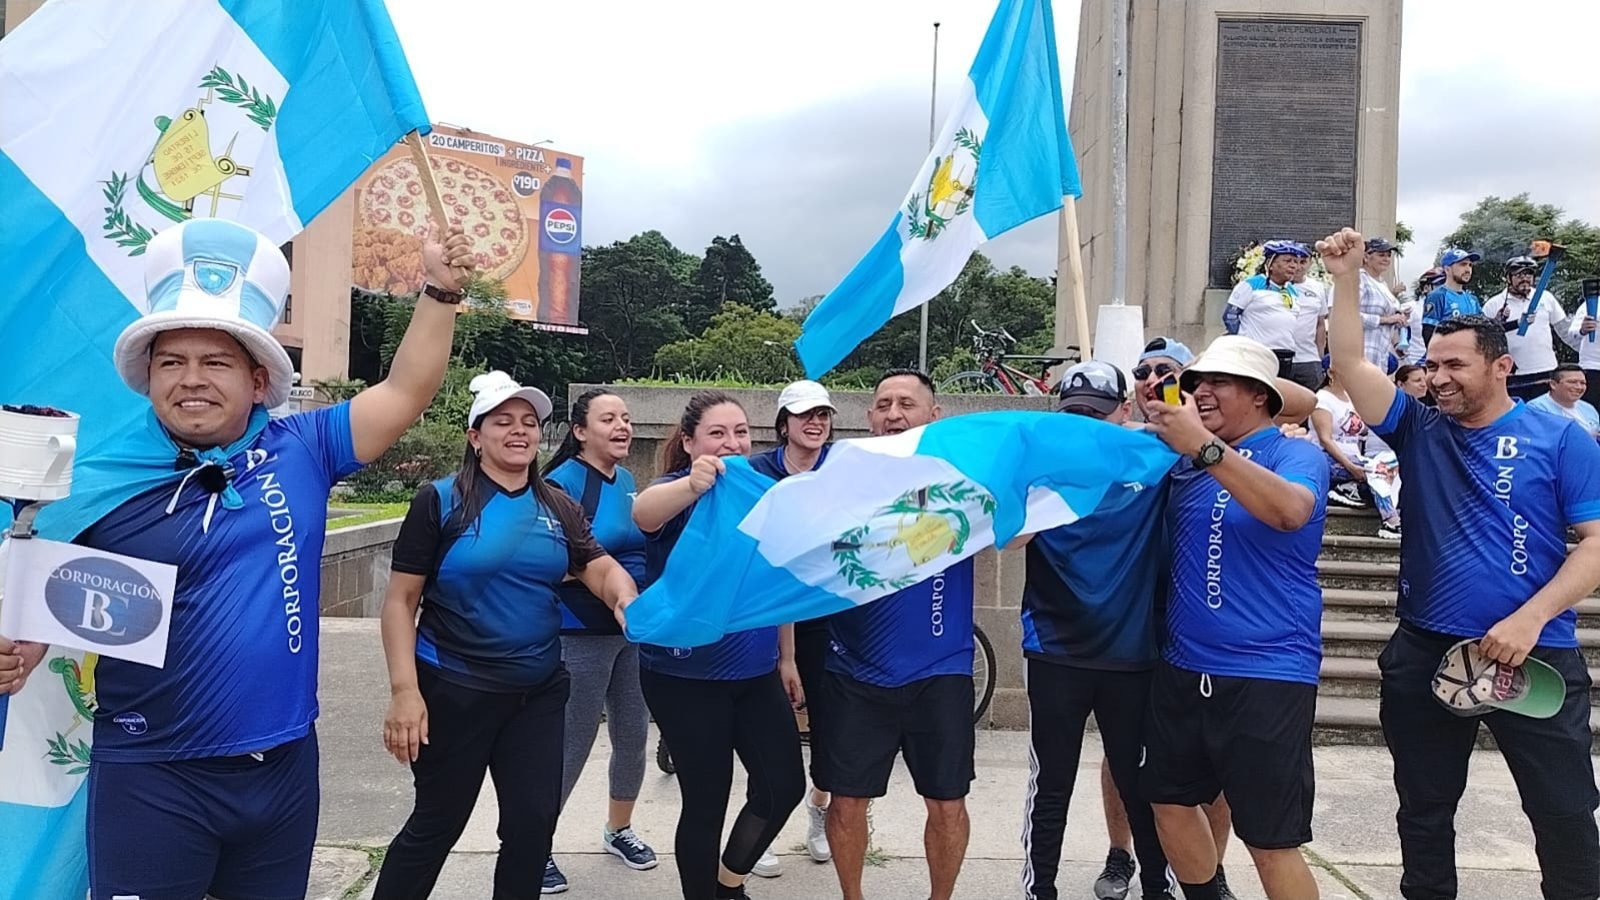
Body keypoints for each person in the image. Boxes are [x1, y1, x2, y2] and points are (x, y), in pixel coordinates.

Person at [0, 219, 474, 900]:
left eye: (214, 362)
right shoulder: (98, 484)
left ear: (257, 381)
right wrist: (17, 653)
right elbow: (45, 610)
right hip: (152, 776)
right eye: (172, 362)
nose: (191, 381)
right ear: (149, 377)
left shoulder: (305, 447)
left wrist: (439, 293)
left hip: (282, 771)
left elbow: (404, 392)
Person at [1321, 226, 1600, 900]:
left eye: (1455, 366)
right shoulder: (1418, 427)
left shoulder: (1559, 437)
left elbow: (1596, 541)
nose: (1437, 378)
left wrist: (1530, 619)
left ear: (1501, 367)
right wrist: (1344, 276)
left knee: (1564, 814)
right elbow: (1350, 364)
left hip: (1533, 655)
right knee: (1424, 811)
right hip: (1426, 651)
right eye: (1432, 365)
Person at [374, 374, 640, 899]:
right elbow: (401, 601)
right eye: (503, 422)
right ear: (476, 436)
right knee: (437, 824)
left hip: (537, 693)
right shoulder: (441, 501)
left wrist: (625, 599)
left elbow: (600, 567)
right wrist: (405, 692)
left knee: (531, 827)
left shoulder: (558, 506)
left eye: (529, 423)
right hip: (455, 689)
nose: (519, 432)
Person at [1142, 335, 1329, 900]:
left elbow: (1290, 511)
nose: (1199, 392)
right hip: (1181, 667)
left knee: (1270, 839)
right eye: (1196, 382)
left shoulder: (1294, 452)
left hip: (1268, 673)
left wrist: (1205, 448)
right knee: (1169, 803)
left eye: (1218, 381)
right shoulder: (1183, 458)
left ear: (1259, 397)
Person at [632, 391, 807, 900]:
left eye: (740, 433)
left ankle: (729, 883)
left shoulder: (762, 492)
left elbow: (780, 583)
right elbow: (644, 513)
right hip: (684, 678)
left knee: (783, 787)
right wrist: (691, 483)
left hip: (754, 672)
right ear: (689, 442)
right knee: (706, 801)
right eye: (717, 434)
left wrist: (788, 657)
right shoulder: (677, 489)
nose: (732, 443)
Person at [1018, 361, 1176, 900]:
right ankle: (1040, 890)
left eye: (1096, 415)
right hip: (1055, 649)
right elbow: (1008, 540)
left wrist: (1150, 424)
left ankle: (1157, 885)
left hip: (1132, 653)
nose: (1084, 424)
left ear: (1122, 410)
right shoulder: (1043, 470)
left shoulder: (1154, 462)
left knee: (1140, 784)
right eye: (1074, 415)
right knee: (1051, 784)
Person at [817, 369, 977, 900]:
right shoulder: (840, 478)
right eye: (882, 404)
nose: (892, 414)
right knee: (846, 802)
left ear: (934, 415)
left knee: (948, 802)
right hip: (855, 669)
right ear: (868, 418)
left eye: (906, 403)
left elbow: (1020, 529)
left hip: (941, 670)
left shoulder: (964, 480)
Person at [540, 388, 658, 893]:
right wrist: (603, 580)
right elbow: (545, 559)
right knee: (570, 744)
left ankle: (619, 829)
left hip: (633, 631)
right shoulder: (559, 484)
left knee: (633, 736)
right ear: (580, 431)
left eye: (626, 418)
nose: (622, 426)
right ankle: (535, 844)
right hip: (579, 634)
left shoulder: (628, 480)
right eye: (608, 419)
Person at [748, 378, 838, 871]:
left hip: (827, 618)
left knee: (832, 729)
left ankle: (818, 816)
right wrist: (785, 656)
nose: (815, 423)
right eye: (805, 415)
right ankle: (761, 824)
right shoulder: (757, 471)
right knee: (765, 730)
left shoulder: (844, 468)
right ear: (784, 424)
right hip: (766, 615)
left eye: (823, 414)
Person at [1314, 364, 1402, 539]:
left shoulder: (1350, 398)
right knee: (1377, 471)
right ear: (1331, 373)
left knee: (1392, 464)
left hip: (1355, 456)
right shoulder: (1322, 398)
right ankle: (1390, 519)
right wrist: (1350, 466)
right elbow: (1325, 439)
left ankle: (1349, 488)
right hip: (1328, 458)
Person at [1223, 240, 1318, 389]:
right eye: (1287, 261)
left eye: (1296, 261)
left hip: (1285, 355)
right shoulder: (1251, 284)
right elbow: (1230, 316)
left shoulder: (1292, 290)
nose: (1294, 266)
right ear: (1271, 264)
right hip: (1258, 354)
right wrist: (1244, 341)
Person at [1483, 255, 1574, 402]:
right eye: (1519, 275)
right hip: (1515, 375)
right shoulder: (1493, 304)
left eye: (1529, 274)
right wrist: (1498, 322)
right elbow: (1484, 339)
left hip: (1547, 370)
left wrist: (1583, 340)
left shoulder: (1546, 298)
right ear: (1508, 278)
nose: (1525, 279)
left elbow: (1564, 331)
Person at [1354, 237, 1410, 368]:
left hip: (1381, 354)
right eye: (1381, 255)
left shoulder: (1382, 284)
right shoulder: (1359, 279)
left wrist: (1399, 316)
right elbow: (1349, 316)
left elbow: (1390, 318)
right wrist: (1386, 319)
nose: (1386, 259)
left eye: (1389, 255)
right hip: (1361, 351)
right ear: (1366, 257)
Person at [1421, 248, 1482, 342]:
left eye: (1470, 265)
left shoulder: (1473, 299)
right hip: (1447, 355)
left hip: (1469, 354)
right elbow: (1428, 333)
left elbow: (1484, 329)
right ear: (1447, 269)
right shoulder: (1437, 296)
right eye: (1463, 264)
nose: (1468, 269)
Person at [1289, 248, 1329, 388]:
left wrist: (1320, 355)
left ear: (1310, 262)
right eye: (1294, 261)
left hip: (1308, 358)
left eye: (1303, 262)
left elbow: (1320, 324)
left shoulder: (1317, 288)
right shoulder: (1275, 286)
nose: (1298, 267)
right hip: (1281, 358)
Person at [1528, 364, 1600, 438]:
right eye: (1572, 382)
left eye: (1583, 383)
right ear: (1553, 384)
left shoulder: (1589, 409)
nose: (1579, 387)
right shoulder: (1536, 408)